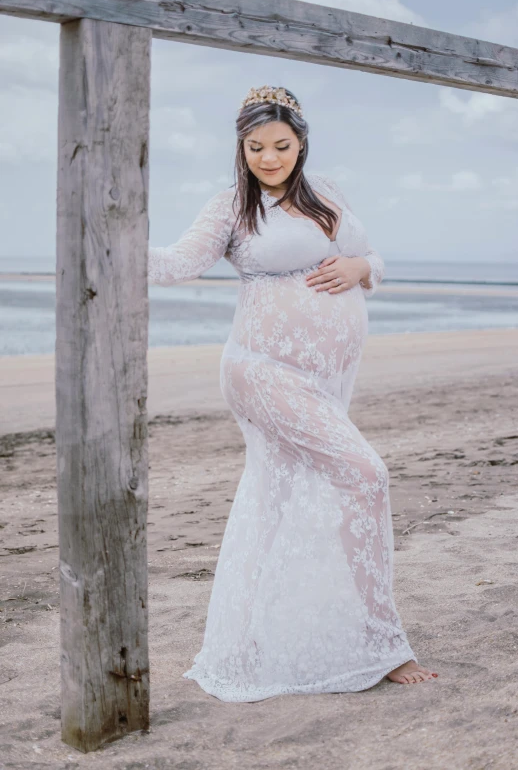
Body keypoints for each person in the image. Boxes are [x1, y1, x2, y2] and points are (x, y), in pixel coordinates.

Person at [148, 85, 438, 702]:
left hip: (326, 379)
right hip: (263, 370)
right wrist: (106, 234)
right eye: (256, 147)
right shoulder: (231, 207)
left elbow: (370, 258)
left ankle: (256, 634)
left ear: (301, 142)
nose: (269, 157)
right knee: (366, 474)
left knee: (276, 497)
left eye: (281, 145)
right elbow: (174, 264)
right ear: (241, 146)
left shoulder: (329, 191)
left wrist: (365, 270)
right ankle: (385, 645)